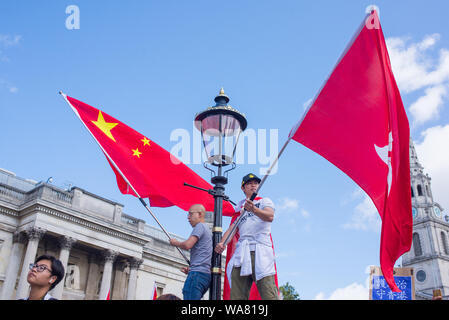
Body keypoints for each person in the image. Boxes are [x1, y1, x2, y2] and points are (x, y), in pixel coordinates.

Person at [215, 173, 278, 300]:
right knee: (237, 295)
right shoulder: (240, 209)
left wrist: (254, 209)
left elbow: (270, 216)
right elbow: (232, 228)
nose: (253, 185)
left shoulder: (264, 201)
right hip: (242, 253)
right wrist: (222, 243)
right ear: (243, 188)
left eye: (255, 183)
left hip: (259, 250)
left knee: (268, 292)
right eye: (249, 183)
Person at [169, 204, 212, 300]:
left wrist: (175, 243)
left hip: (197, 274)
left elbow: (188, 245)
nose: (188, 217)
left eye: (191, 214)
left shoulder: (200, 226)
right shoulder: (207, 230)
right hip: (204, 275)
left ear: (200, 214)